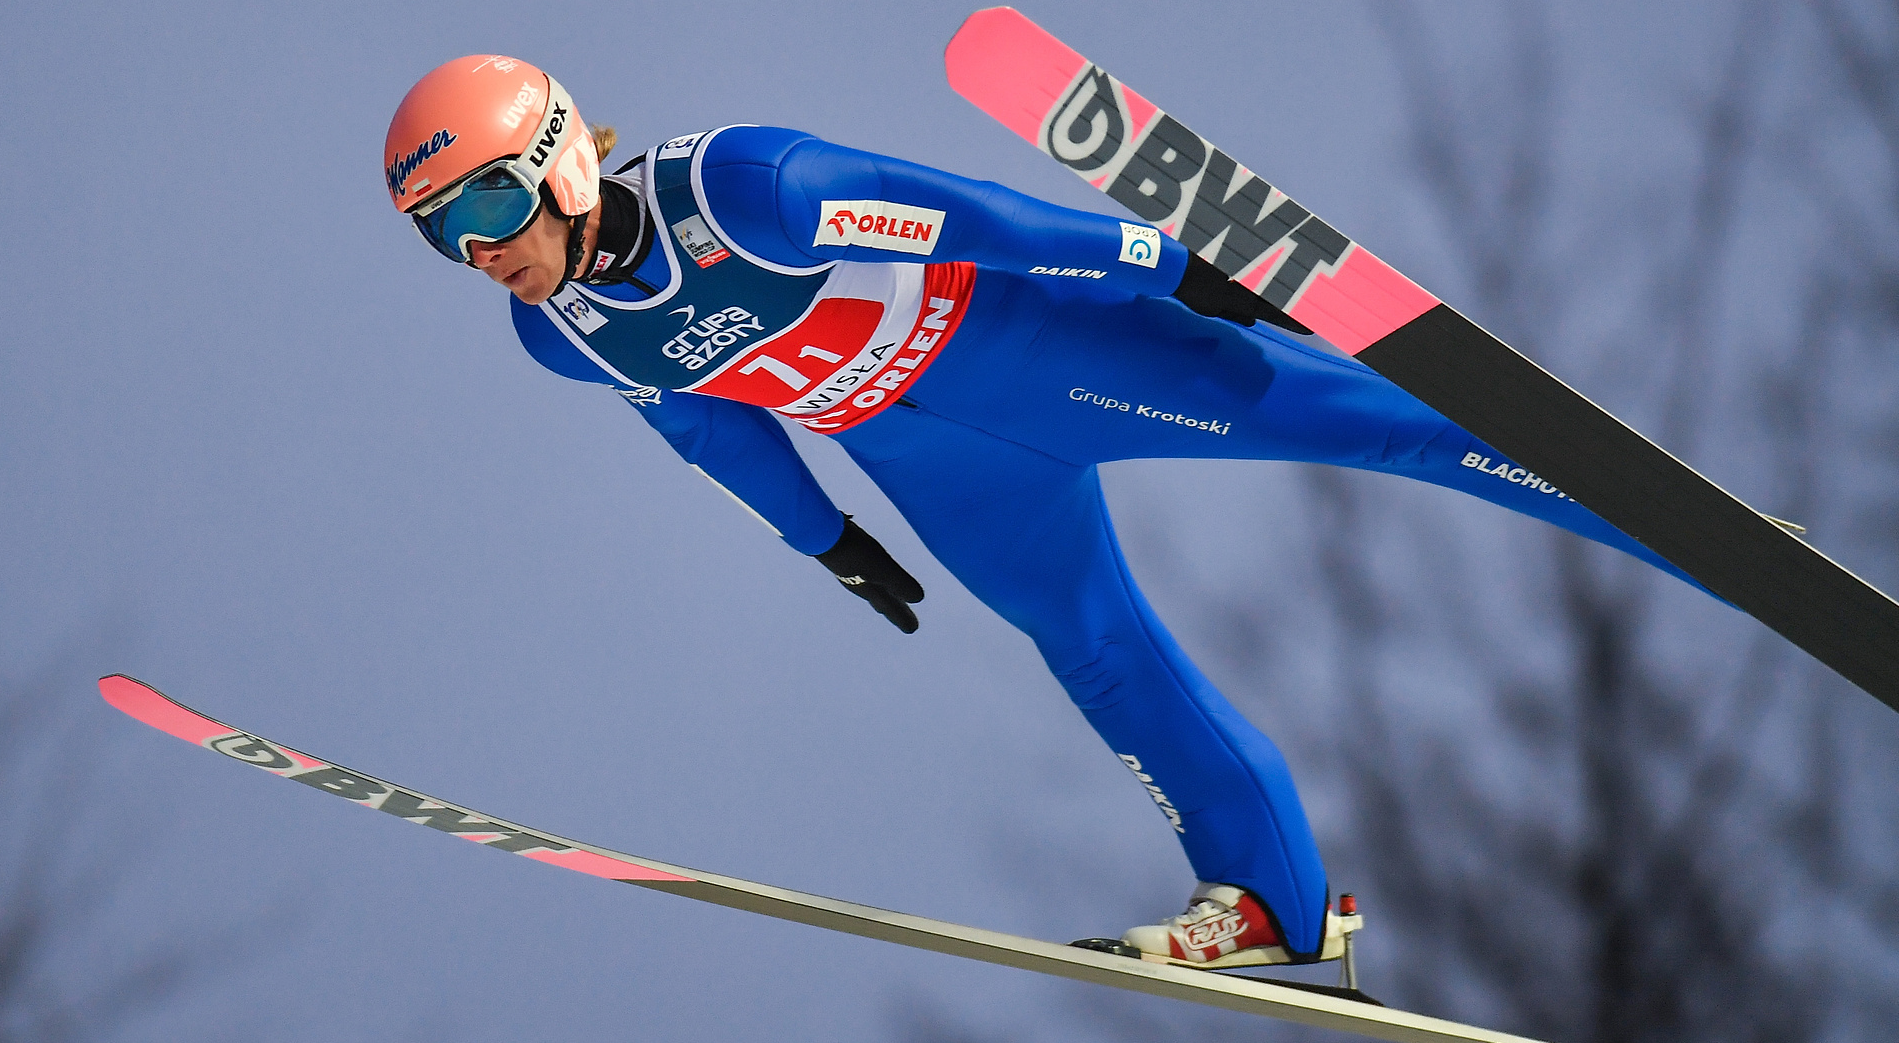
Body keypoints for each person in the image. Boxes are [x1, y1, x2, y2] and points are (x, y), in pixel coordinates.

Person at [384, 54, 1701, 969]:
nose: (482, 247)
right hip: (936, 464)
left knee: (1377, 423)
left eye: (490, 201)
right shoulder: (564, 337)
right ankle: (1272, 914)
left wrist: (1169, 259)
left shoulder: (742, 189)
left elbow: (977, 219)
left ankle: (1678, 527)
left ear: (560, 160)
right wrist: (826, 539)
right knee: (1093, 648)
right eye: (444, 235)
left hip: (1044, 350)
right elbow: (702, 426)